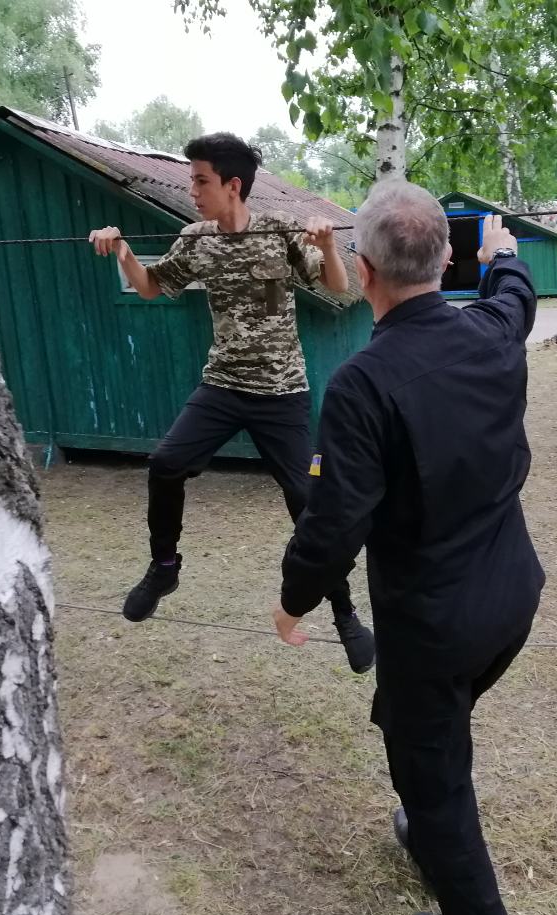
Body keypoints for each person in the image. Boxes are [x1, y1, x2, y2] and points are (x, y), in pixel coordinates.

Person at [272, 182, 545, 915]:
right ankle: (427, 830)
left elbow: (333, 525)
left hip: (435, 625)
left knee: (433, 773)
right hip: (510, 600)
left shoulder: (361, 384)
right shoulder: (491, 329)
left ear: (363, 270)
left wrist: (292, 602)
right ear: (446, 260)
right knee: (419, 726)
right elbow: (516, 297)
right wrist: (505, 253)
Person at [89, 133, 374, 672]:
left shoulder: (279, 231)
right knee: (165, 463)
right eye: (192, 181)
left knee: (308, 502)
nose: (193, 191)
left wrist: (328, 246)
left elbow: (340, 287)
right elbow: (150, 287)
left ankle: (345, 613)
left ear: (233, 185)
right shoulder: (196, 239)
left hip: (282, 392)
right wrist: (122, 250)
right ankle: (164, 567)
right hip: (222, 385)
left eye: (201, 181)